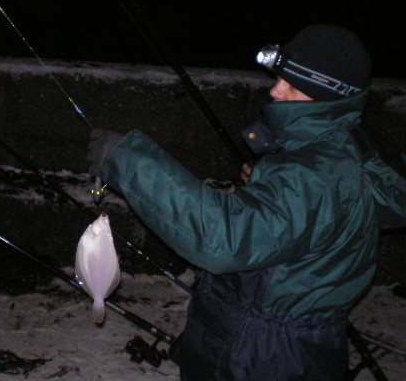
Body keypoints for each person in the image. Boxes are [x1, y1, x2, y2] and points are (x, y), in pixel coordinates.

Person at [86, 24, 406, 381]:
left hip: (264, 357)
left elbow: (223, 240)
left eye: (293, 86)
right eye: (279, 77)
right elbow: (313, 216)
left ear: (329, 97)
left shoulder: (312, 176)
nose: (275, 90)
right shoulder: (343, 150)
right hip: (304, 347)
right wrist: (267, 187)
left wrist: (127, 159)